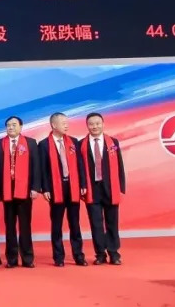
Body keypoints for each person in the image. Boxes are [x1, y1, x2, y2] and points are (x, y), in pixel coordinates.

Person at [39, 112, 87, 267]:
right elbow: (43, 169)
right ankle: (58, 257)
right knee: (57, 225)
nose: (66, 125)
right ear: (54, 125)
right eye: (63, 123)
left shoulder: (74, 142)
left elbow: (80, 165)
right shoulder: (44, 145)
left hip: (72, 186)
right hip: (55, 188)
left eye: (67, 122)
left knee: (75, 224)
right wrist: (45, 189)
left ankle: (79, 256)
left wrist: (83, 184)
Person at [0, 116, 40, 268]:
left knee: (25, 225)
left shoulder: (30, 143)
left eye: (14, 125)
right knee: (10, 226)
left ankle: (27, 258)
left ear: (21, 127)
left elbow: (36, 166)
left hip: (25, 190)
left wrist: (35, 188)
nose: (11, 127)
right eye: (8, 125)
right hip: (6, 190)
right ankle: (11, 259)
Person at [81, 112, 126, 265]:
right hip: (92, 188)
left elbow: (119, 165)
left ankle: (114, 253)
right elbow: (79, 169)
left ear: (103, 124)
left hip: (110, 187)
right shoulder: (81, 144)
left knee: (112, 222)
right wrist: (82, 186)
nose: (94, 126)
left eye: (97, 123)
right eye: (91, 124)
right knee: (96, 224)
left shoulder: (113, 142)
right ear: (87, 126)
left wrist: (121, 186)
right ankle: (100, 254)